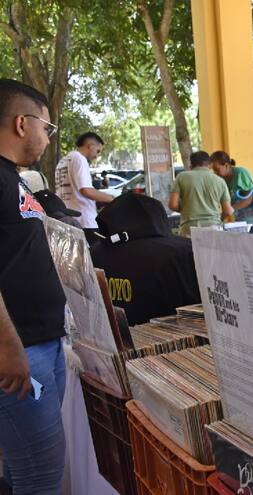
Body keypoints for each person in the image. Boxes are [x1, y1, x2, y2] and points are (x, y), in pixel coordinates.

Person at [0, 78, 68, 494]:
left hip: (40, 341)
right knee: (40, 475)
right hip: (18, 349)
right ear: (22, 123)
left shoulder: (15, 178)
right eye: (47, 126)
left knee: (23, 468)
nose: (47, 137)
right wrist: (7, 348)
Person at [90, 193, 201, 325]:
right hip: (171, 338)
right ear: (159, 216)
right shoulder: (184, 251)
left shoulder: (93, 253)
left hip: (107, 339)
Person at [54, 131, 114, 232]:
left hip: (67, 219)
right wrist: (112, 199)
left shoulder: (64, 160)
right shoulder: (80, 159)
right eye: (98, 151)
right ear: (90, 146)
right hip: (84, 221)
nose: (96, 156)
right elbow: (86, 190)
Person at [169, 150, 233, 237]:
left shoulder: (182, 177)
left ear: (191, 165)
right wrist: (217, 219)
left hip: (189, 229)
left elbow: (172, 205)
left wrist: (185, 208)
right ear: (210, 165)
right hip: (214, 228)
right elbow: (228, 211)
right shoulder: (220, 181)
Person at [211, 151, 253, 234]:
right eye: (213, 171)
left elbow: (248, 200)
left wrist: (229, 210)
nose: (215, 173)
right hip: (241, 220)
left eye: (217, 169)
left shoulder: (241, 173)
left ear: (226, 165)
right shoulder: (222, 180)